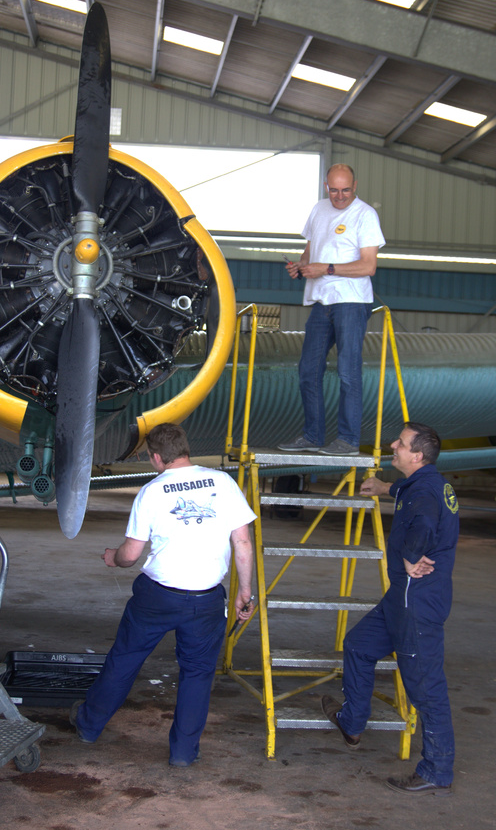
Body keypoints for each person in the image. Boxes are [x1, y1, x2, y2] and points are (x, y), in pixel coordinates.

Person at [69, 422, 256, 767]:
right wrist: (245, 590)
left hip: (158, 597)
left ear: (156, 457)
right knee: (197, 674)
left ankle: (88, 726)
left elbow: (131, 554)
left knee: (125, 659)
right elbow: (242, 541)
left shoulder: (152, 492)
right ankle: (183, 753)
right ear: (186, 450)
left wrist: (113, 557)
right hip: (207, 598)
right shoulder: (224, 483)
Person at [321, 421, 459, 794]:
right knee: (359, 645)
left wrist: (411, 557)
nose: (392, 445)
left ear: (417, 455)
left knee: (426, 689)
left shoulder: (425, 493)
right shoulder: (425, 482)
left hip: (417, 601)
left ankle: (436, 770)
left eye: (401, 443)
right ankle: (351, 722)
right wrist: (384, 487)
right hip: (401, 597)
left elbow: (425, 522)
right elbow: (411, 493)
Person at [279, 163, 385, 456]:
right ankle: (313, 436)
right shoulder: (319, 210)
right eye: (335, 190)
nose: (340, 196)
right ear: (327, 186)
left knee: (348, 371)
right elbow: (312, 250)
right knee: (308, 370)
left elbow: (368, 265)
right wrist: (301, 266)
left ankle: (348, 440)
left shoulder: (365, 215)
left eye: (346, 190)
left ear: (355, 186)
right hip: (321, 301)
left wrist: (325, 268)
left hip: (351, 301)